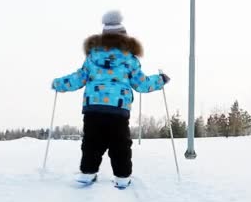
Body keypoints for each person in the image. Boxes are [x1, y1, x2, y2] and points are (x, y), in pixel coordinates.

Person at [51, 10, 170, 188]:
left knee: (92, 141)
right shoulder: (129, 59)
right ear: (124, 37)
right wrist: (160, 81)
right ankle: (122, 177)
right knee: (119, 143)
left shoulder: (92, 57)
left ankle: (87, 173)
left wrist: (60, 84)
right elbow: (141, 83)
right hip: (118, 109)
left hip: (93, 108)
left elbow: (79, 78)